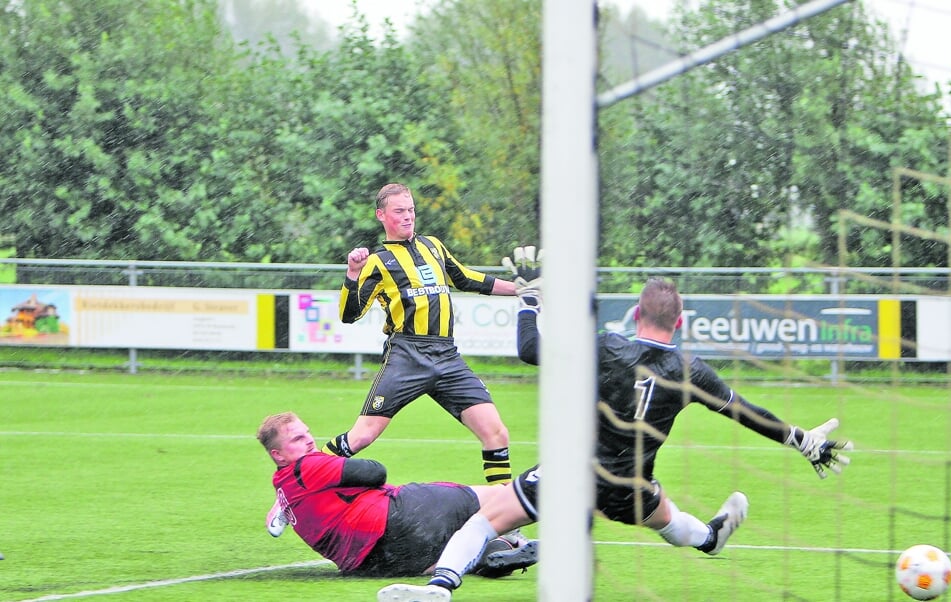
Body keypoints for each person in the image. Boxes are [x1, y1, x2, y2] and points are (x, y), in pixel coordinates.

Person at [378, 272, 853, 601]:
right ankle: (710, 538)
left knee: (485, 521)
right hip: (629, 485)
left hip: (573, 473)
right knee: (670, 524)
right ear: (681, 323)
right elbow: (746, 413)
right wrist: (801, 439)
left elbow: (530, 350)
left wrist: (527, 302)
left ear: (634, 312)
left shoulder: (606, 345)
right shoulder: (691, 370)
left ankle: (440, 587)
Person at [318, 183, 521, 487]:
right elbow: (350, 314)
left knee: (496, 433)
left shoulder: (433, 246)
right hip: (407, 356)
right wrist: (351, 274)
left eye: (411, 209)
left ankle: (508, 525)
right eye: (399, 211)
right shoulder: (377, 261)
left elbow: (467, 278)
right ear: (381, 215)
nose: (408, 216)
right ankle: (300, 483)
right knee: (362, 437)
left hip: (447, 357)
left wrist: (521, 289)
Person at [257, 411, 538, 577]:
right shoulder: (308, 463)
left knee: (443, 560)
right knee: (493, 497)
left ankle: (490, 554)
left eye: (307, 434)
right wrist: (331, 460)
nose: (309, 441)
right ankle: (519, 529)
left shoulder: (282, 486)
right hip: (397, 519)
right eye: (297, 439)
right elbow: (374, 472)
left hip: (370, 565)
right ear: (277, 454)